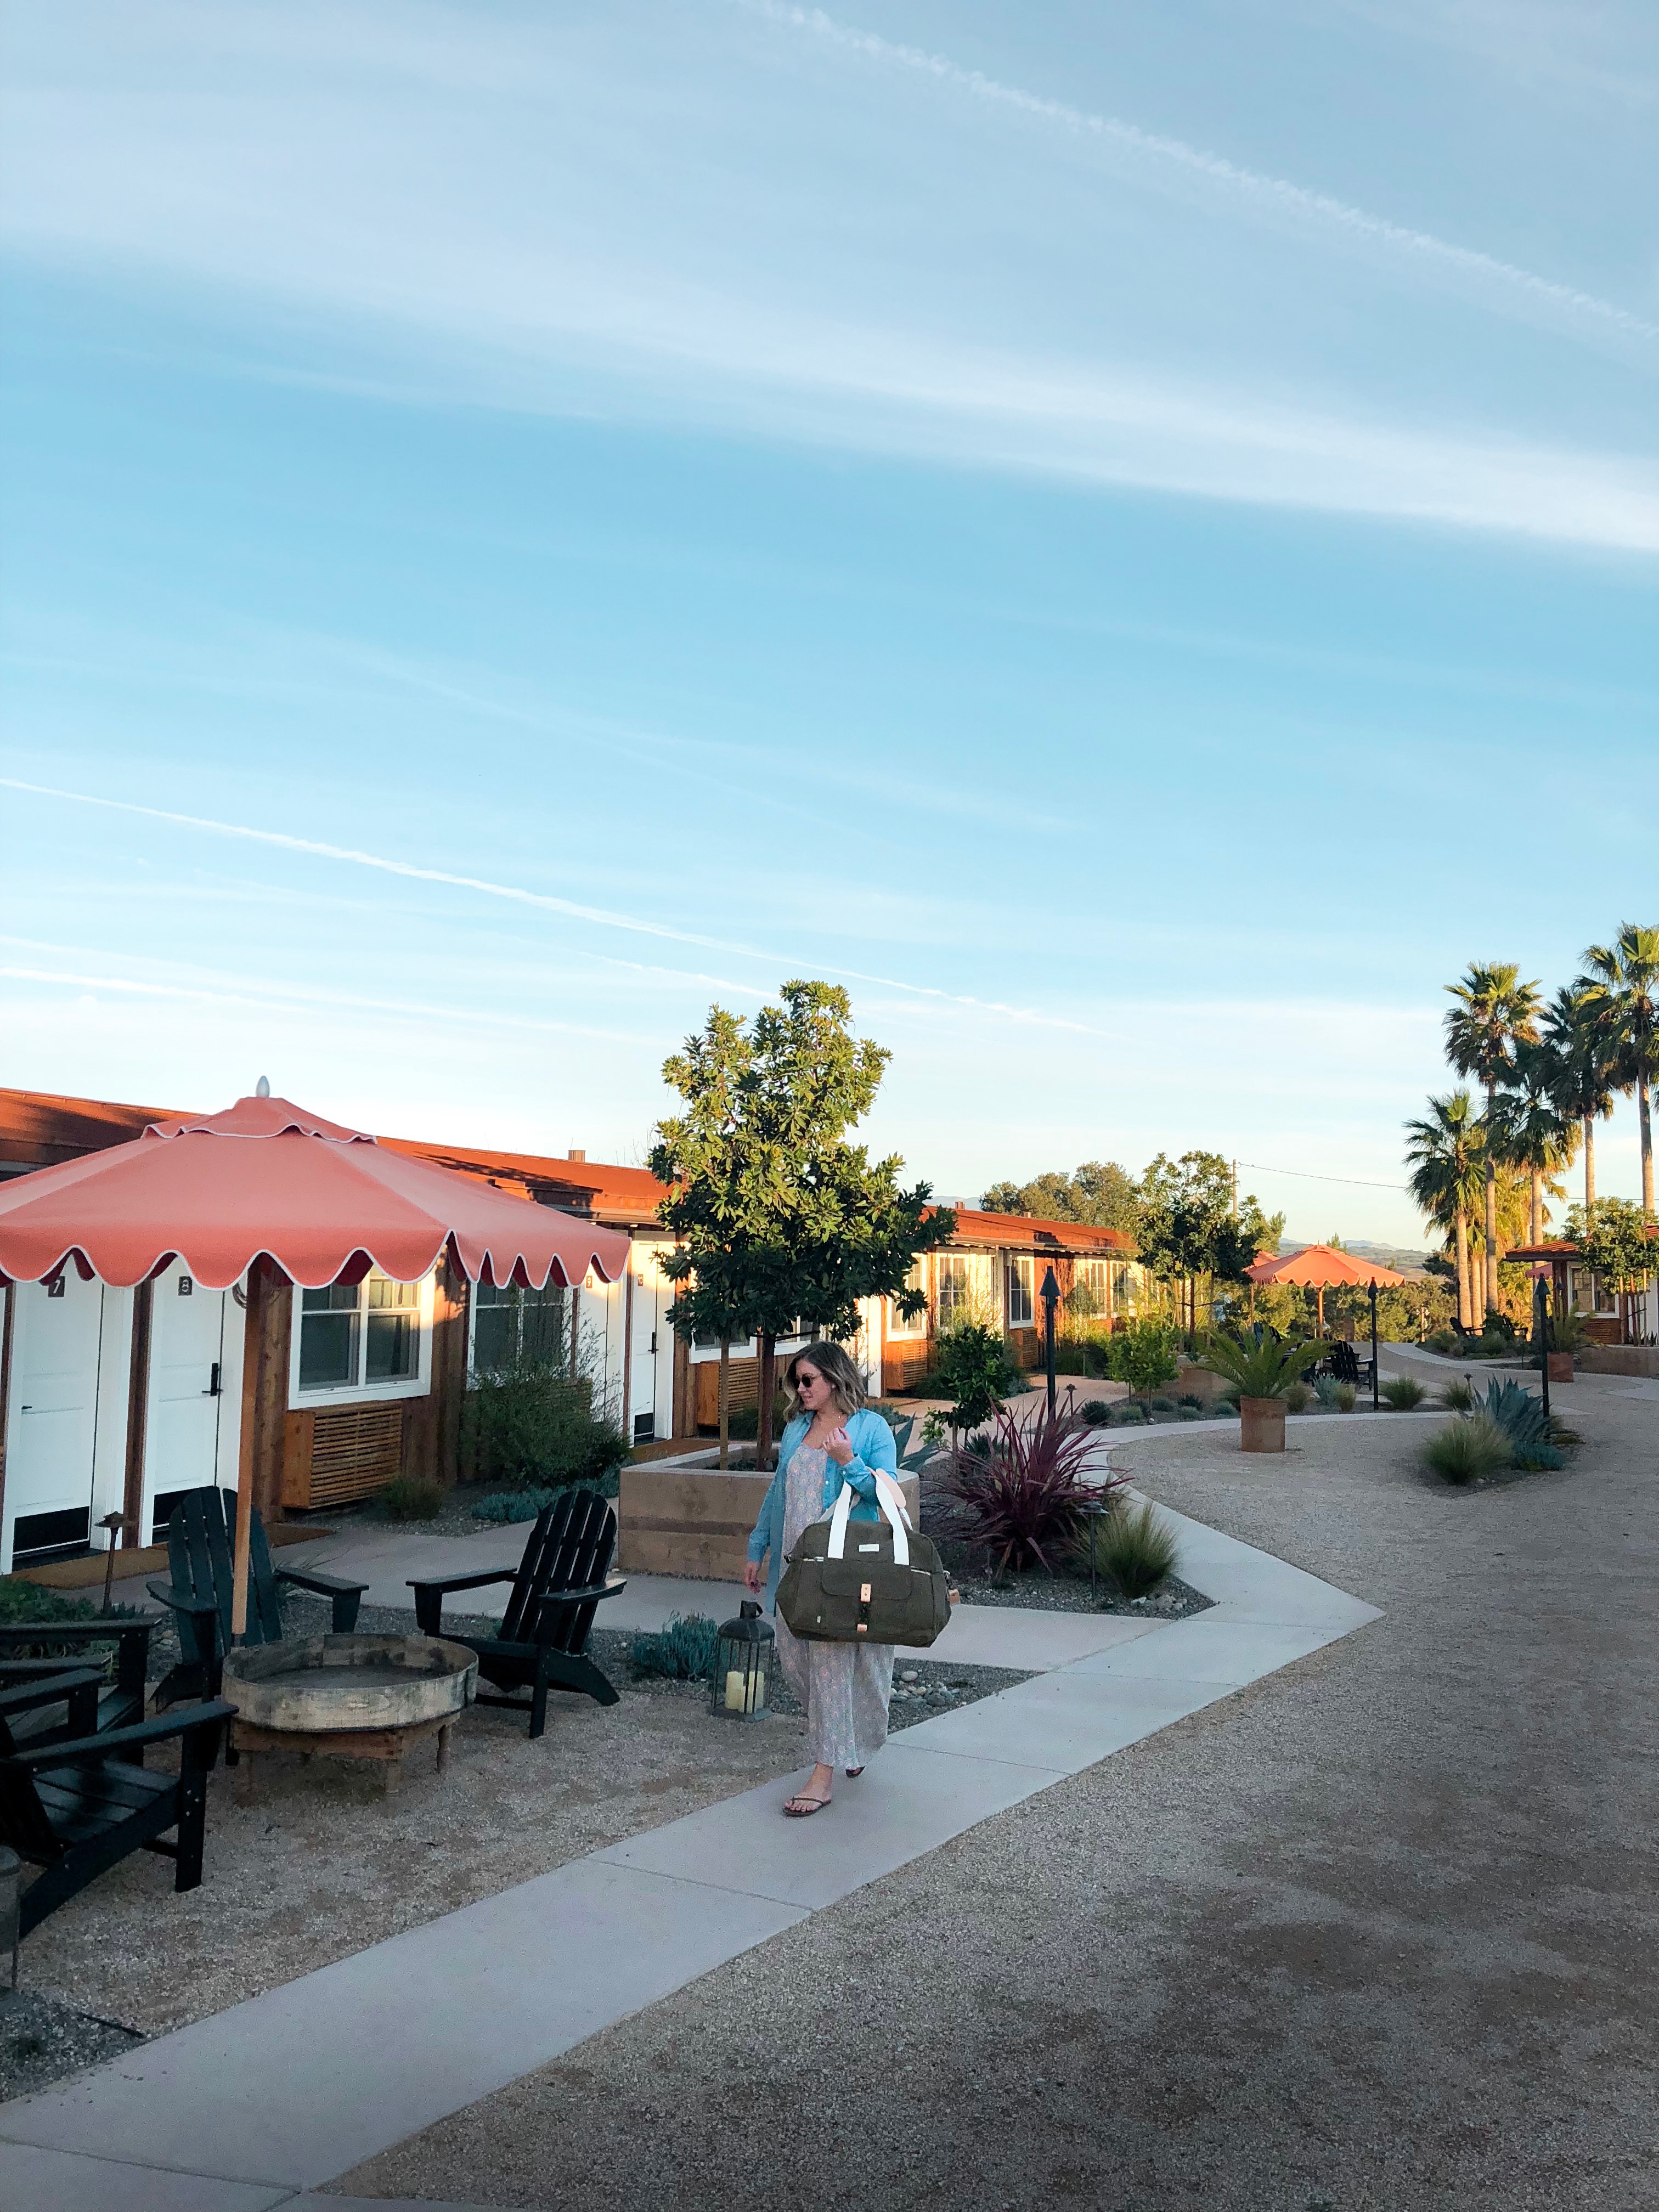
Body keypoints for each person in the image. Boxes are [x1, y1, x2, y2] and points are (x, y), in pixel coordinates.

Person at [744, 1340, 900, 1818]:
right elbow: (778, 1492)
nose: (801, 1389)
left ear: (834, 1379)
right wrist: (757, 1547)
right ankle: (848, 1738)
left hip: (842, 1570)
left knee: (835, 1666)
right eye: (796, 1381)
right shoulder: (797, 1429)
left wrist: (849, 1461)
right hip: (795, 1566)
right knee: (794, 1656)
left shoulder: (871, 1429)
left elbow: (887, 1493)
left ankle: (823, 1774)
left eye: (808, 1379)